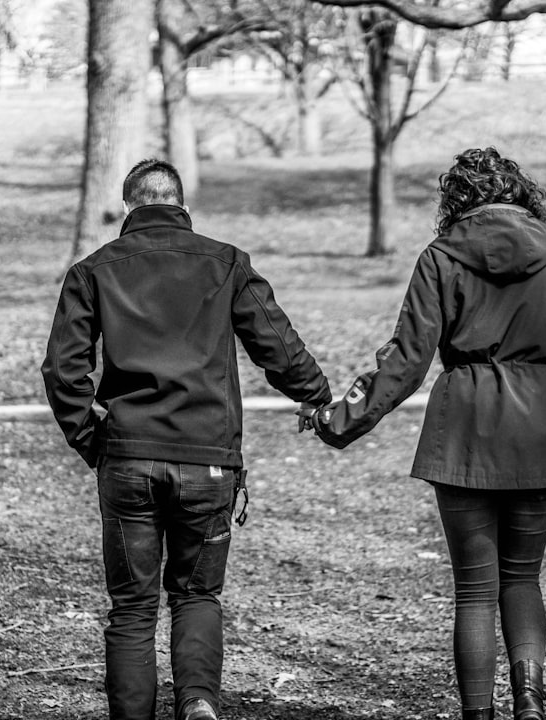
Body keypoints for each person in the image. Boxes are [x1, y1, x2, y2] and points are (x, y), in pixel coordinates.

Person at [300, 147, 546, 720]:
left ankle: (479, 714)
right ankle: (530, 705)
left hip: (467, 429)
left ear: (457, 200)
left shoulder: (440, 257)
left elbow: (406, 359)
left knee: (474, 589)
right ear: (521, 194)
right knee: (523, 578)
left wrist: (335, 420)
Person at [42, 158, 332, 720]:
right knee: (197, 595)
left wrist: (91, 441)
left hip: (128, 458)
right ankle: (198, 703)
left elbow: (62, 371)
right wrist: (314, 393)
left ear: (127, 209)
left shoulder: (93, 270)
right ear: (183, 207)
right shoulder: (226, 263)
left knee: (131, 607)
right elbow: (277, 344)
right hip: (208, 461)